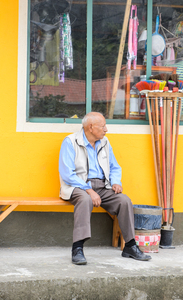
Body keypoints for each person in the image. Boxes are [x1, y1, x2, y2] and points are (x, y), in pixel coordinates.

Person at [59, 112, 151, 265]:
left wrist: (115, 182)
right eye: (102, 126)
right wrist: (89, 190)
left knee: (124, 200)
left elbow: (115, 166)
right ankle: (77, 248)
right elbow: (67, 174)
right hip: (78, 186)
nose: (106, 129)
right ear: (90, 127)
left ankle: (130, 246)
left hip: (103, 186)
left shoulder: (105, 142)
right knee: (85, 200)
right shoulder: (70, 142)